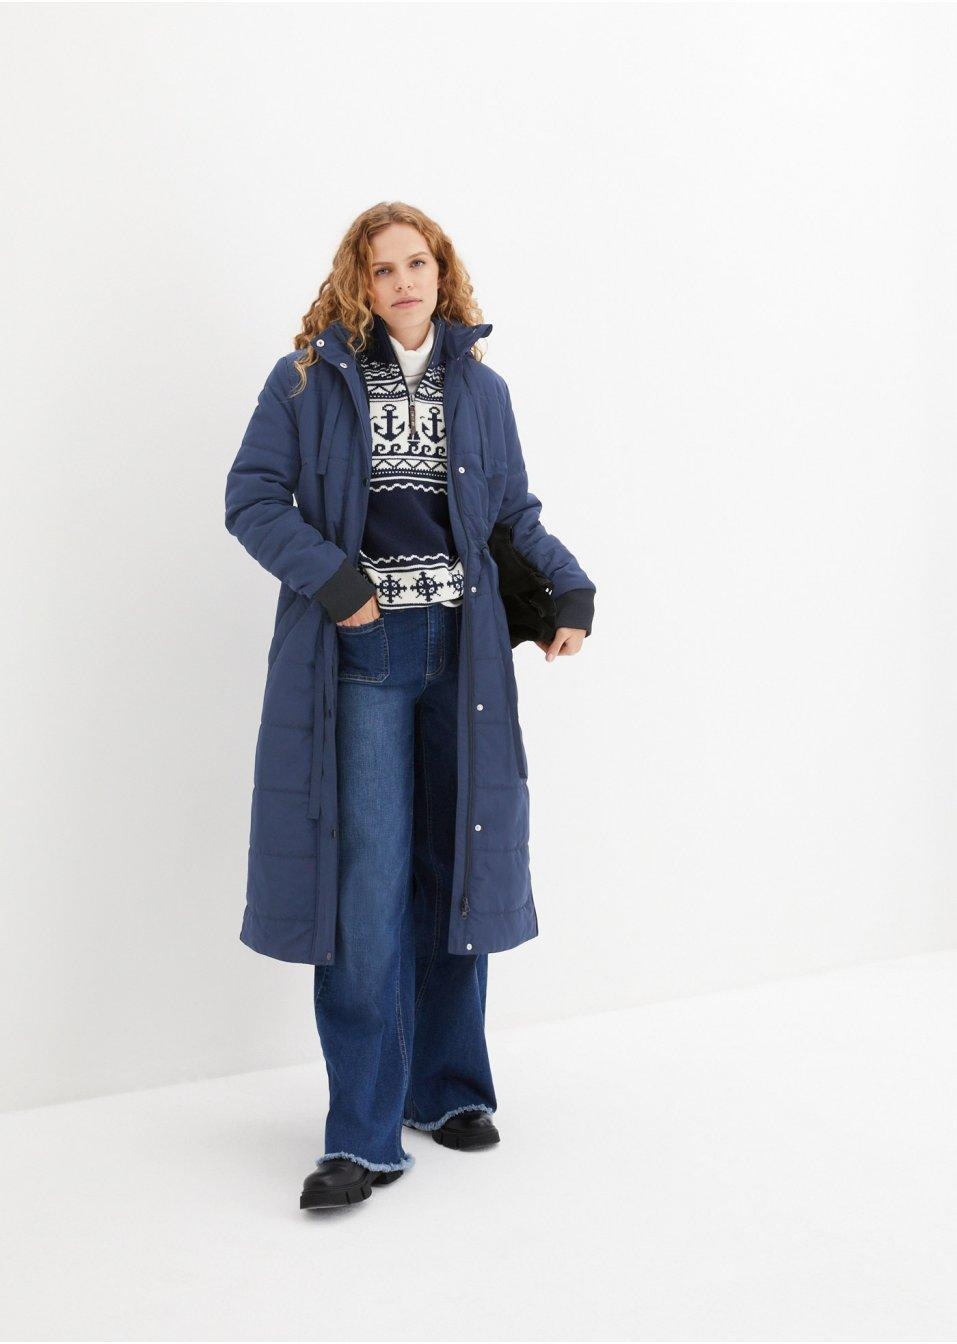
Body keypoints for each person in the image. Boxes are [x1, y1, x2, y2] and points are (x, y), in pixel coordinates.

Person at [224, 202, 596, 1211]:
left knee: (454, 867)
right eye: (382, 267)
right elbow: (251, 498)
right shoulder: (306, 379)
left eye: (416, 263)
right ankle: (362, 1134)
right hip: (363, 655)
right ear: (358, 280)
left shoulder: (481, 387)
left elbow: (510, 514)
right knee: (368, 887)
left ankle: (449, 1089)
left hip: (463, 656)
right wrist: (337, 582)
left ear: (442, 272)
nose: (402, 281)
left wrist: (567, 589)